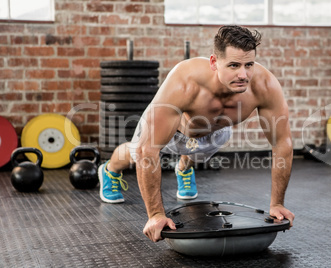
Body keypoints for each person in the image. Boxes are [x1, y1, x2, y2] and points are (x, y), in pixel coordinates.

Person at [98, 25, 295, 242]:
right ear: (213, 62)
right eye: (233, 65)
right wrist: (155, 215)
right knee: (134, 153)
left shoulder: (265, 85)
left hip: (216, 133)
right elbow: (149, 149)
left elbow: (282, 144)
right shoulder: (186, 81)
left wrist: (277, 203)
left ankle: (183, 168)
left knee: (193, 156)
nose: (243, 74)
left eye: (249, 65)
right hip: (175, 132)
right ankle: (109, 170)